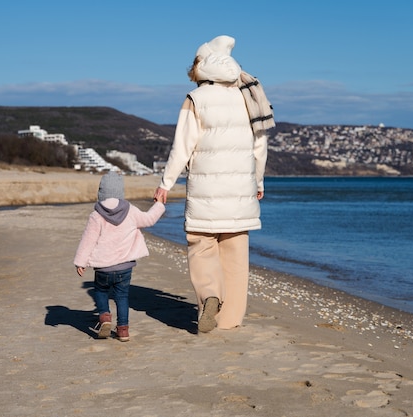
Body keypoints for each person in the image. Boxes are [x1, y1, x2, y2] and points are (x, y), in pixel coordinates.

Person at [153, 35, 274, 333]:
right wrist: (258, 180)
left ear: (204, 65)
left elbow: (182, 146)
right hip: (240, 190)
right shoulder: (250, 95)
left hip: (205, 191)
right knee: (234, 254)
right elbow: (260, 145)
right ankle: (229, 319)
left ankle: (209, 296)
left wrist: (166, 183)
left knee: (201, 246)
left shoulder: (196, 98)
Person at [74, 171, 165, 341]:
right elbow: (149, 219)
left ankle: (105, 317)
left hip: (103, 267)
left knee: (100, 291)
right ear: (120, 192)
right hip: (124, 266)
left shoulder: (96, 215)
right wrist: (159, 204)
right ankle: (123, 330)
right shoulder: (130, 210)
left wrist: (81, 261)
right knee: (122, 296)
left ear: (101, 192)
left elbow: (88, 240)